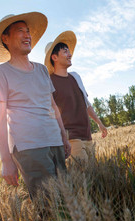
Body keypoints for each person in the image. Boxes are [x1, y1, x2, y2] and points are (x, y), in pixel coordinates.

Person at [0, 12, 71, 199]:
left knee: (67, 198)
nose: (27, 35)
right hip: (29, 148)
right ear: (5, 38)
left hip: (54, 141)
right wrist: (6, 160)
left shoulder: (41, 69)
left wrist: (63, 136)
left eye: (28, 31)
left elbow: (53, 106)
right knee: (49, 205)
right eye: (20, 31)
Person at [44, 31, 108, 165]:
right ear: (54, 57)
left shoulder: (76, 77)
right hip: (71, 138)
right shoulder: (49, 82)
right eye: (65, 51)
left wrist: (99, 122)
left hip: (87, 135)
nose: (70, 54)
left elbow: (85, 103)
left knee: (93, 175)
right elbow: (50, 114)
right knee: (82, 175)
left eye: (69, 51)